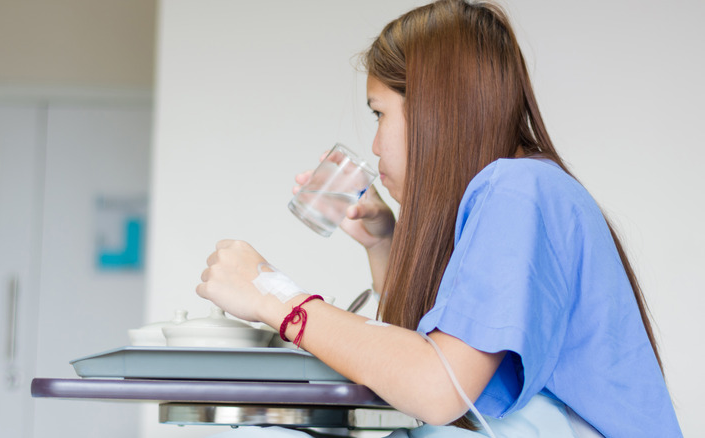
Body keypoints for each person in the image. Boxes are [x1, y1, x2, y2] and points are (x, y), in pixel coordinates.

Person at [196, 0, 682, 436]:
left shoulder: (517, 189)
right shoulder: (521, 189)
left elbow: (437, 388)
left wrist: (274, 297)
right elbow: (426, 368)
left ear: (433, 109)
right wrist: (383, 242)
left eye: (379, 114)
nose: (374, 143)